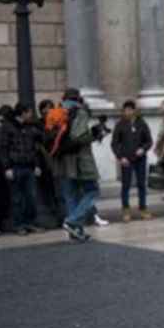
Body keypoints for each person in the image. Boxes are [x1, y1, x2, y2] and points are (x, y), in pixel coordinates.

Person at [54, 89, 101, 242]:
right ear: (78, 98)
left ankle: (76, 232)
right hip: (80, 159)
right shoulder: (80, 111)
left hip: (62, 160)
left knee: (70, 195)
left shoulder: (57, 111)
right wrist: (95, 134)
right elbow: (78, 136)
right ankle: (72, 221)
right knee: (92, 190)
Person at [0, 104, 43, 235]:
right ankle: (19, 225)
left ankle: (30, 222)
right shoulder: (7, 127)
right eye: (29, 112)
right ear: (23, 113)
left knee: (31, 197)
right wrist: (7, 167)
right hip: (15, 166)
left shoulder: (30, 127)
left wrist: (37, 165)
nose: (31, 115)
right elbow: (2, 148)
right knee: (17, 198)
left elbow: (35, 148)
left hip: (29, 166)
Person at [110, 100, 153, 222]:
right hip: (126, 160)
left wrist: (143, 149)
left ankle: (143, 208)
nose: (128, 112)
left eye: (130, 110)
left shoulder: (142, 123)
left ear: (134, 111)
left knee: (141, 185)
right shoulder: (120, 124)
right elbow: (114, 143)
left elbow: (149, 141)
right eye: (125, 110)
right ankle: (125, 210)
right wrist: (120, 157)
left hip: (140, 159)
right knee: (126, 185)